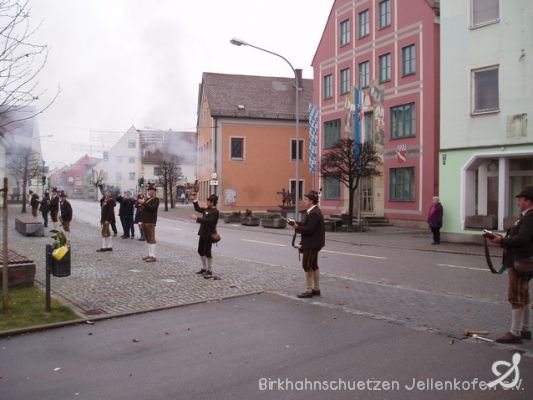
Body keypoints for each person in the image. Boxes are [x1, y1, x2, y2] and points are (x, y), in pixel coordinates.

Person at [488, 185, 533, 344]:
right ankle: (525, 329)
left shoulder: (529, 217)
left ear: (528, 201)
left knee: (516, 295)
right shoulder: (525, 216)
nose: (518, 202)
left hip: (520, 262)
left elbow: (522, 240)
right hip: (521, 261)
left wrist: (502, 240)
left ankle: (515, 332)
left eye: (520, 199)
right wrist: (501, 239)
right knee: (524, 295)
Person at [290, 190, 325, 298]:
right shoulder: (312, 211)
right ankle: (316, 289)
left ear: (311, 201)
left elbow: (310, 229)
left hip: (311, 243)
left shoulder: (314, 213)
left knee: (307, 265)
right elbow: (307, 224)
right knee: (314, 265)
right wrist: (296, 223)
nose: (304, 201)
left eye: (306, 199)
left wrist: (297, 227)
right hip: (314, 243)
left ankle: (309, 290)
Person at [191, 194, 220, 277]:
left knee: (208, 252)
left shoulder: (215, 212)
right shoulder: (207, 209)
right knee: (200, 250)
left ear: (213, 203)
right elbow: (198, 208)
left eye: (209, 201)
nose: (207, 202)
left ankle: (209, 270)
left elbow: (209, 221)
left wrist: (197, 218)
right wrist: (195, 200)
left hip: (209, 234)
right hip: (202, 233)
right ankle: (204, 268)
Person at [139, 184, 159, 262]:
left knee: (152, 239)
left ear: (154, 191)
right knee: (148, 239)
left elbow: (152, 208)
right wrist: (140, 204)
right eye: (149, 190)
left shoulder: (156, 199)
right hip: (145, 221)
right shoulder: (147, 199)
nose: (149, 192)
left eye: (151, 190)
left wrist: (144, 203)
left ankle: (153, 256)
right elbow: (143, 209)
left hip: (151, 221)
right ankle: (150, 254)